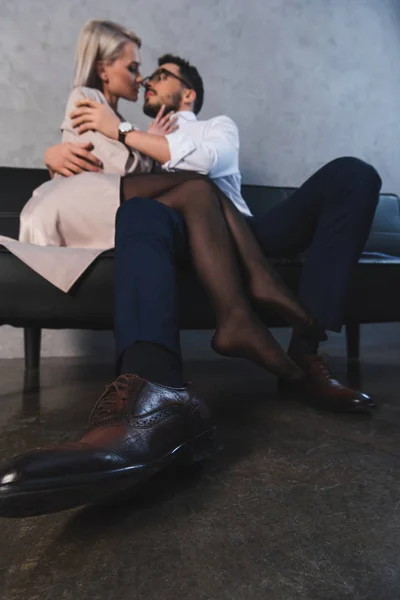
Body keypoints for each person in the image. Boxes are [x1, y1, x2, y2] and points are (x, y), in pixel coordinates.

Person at [0, 42, 381, 518]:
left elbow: (200, 164)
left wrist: (123, 131)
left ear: (187, 96)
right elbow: (96, 180)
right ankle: (153, 395)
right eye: (145, 74)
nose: (147, 82)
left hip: (245, 233)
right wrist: (56, 155)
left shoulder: (214, 128)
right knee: (140, 210)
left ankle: (306, 355)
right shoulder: (132, 138)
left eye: (161, 75)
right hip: (174, 238)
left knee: (354, 174)